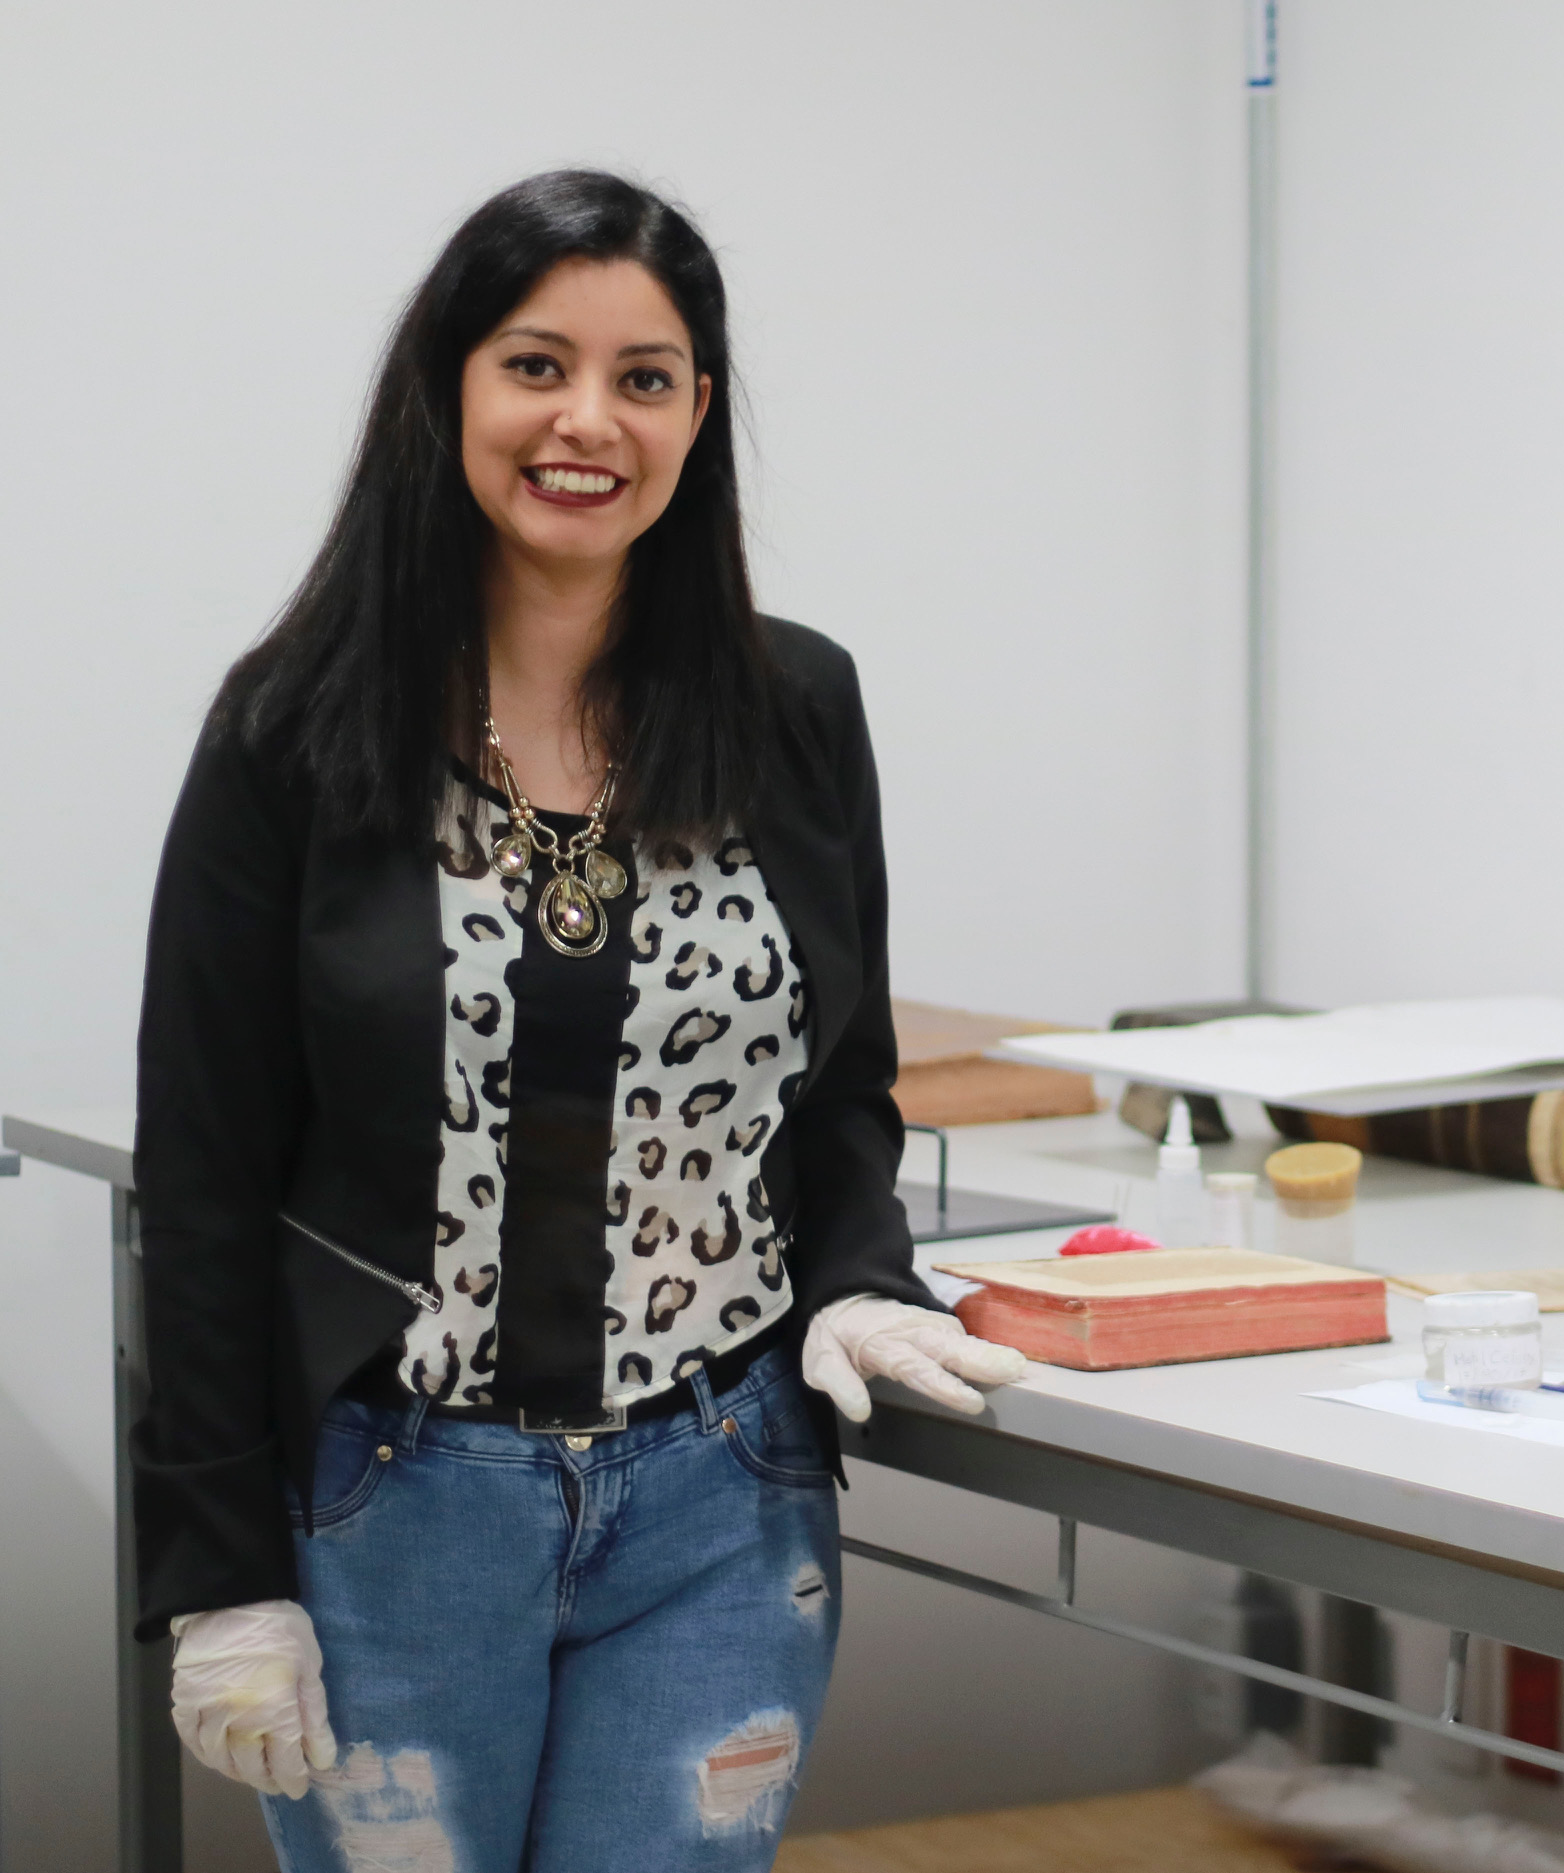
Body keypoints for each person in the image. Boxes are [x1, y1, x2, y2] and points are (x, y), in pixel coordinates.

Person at [133, 169, 1023, 1870]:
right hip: (398, 1500)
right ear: (449, 391)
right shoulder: (295, 731)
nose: (588, 422)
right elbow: (204, 1180)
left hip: (721, 1489)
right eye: (537, 365)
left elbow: (838, 1084)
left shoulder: (794, 707)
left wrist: (857, 1275)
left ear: (699, 412)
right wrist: (220, 1575)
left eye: (646, 376)